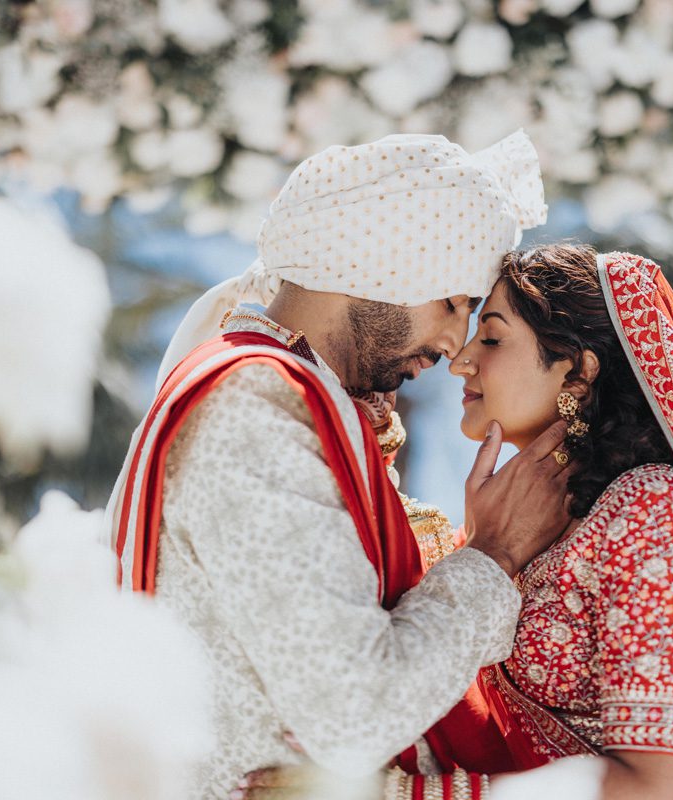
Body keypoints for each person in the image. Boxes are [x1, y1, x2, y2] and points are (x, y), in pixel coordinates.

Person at [242, 244, 673, 800]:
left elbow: (659, 788)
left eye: (493, 338)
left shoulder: (652, 513)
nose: (460, 362)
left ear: (578, 373)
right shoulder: (519, 529)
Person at [106, 131, 577, 799]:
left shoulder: (287, 396)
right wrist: (494, 557)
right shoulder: (256, 408)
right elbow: (355, 714)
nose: (451, 345)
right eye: (451, 304)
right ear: (379, 265)